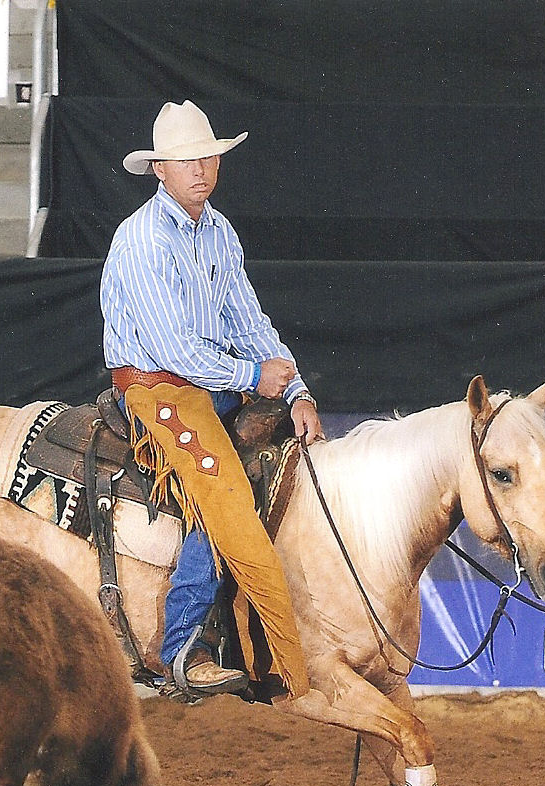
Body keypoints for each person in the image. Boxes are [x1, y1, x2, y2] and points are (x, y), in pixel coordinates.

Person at [101, 100, 324, 700]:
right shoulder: (143, 239)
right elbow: (174, 350)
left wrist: (296, 390)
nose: (198, 169)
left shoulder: (219, 232)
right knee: (221, 493)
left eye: (207, 157)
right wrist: (253, 375)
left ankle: (265, 636)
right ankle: (181, 647)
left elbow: (249, 321)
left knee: (279, 465)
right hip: (157, 389)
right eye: (184, 160)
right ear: (159, 170)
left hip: (213, 382)